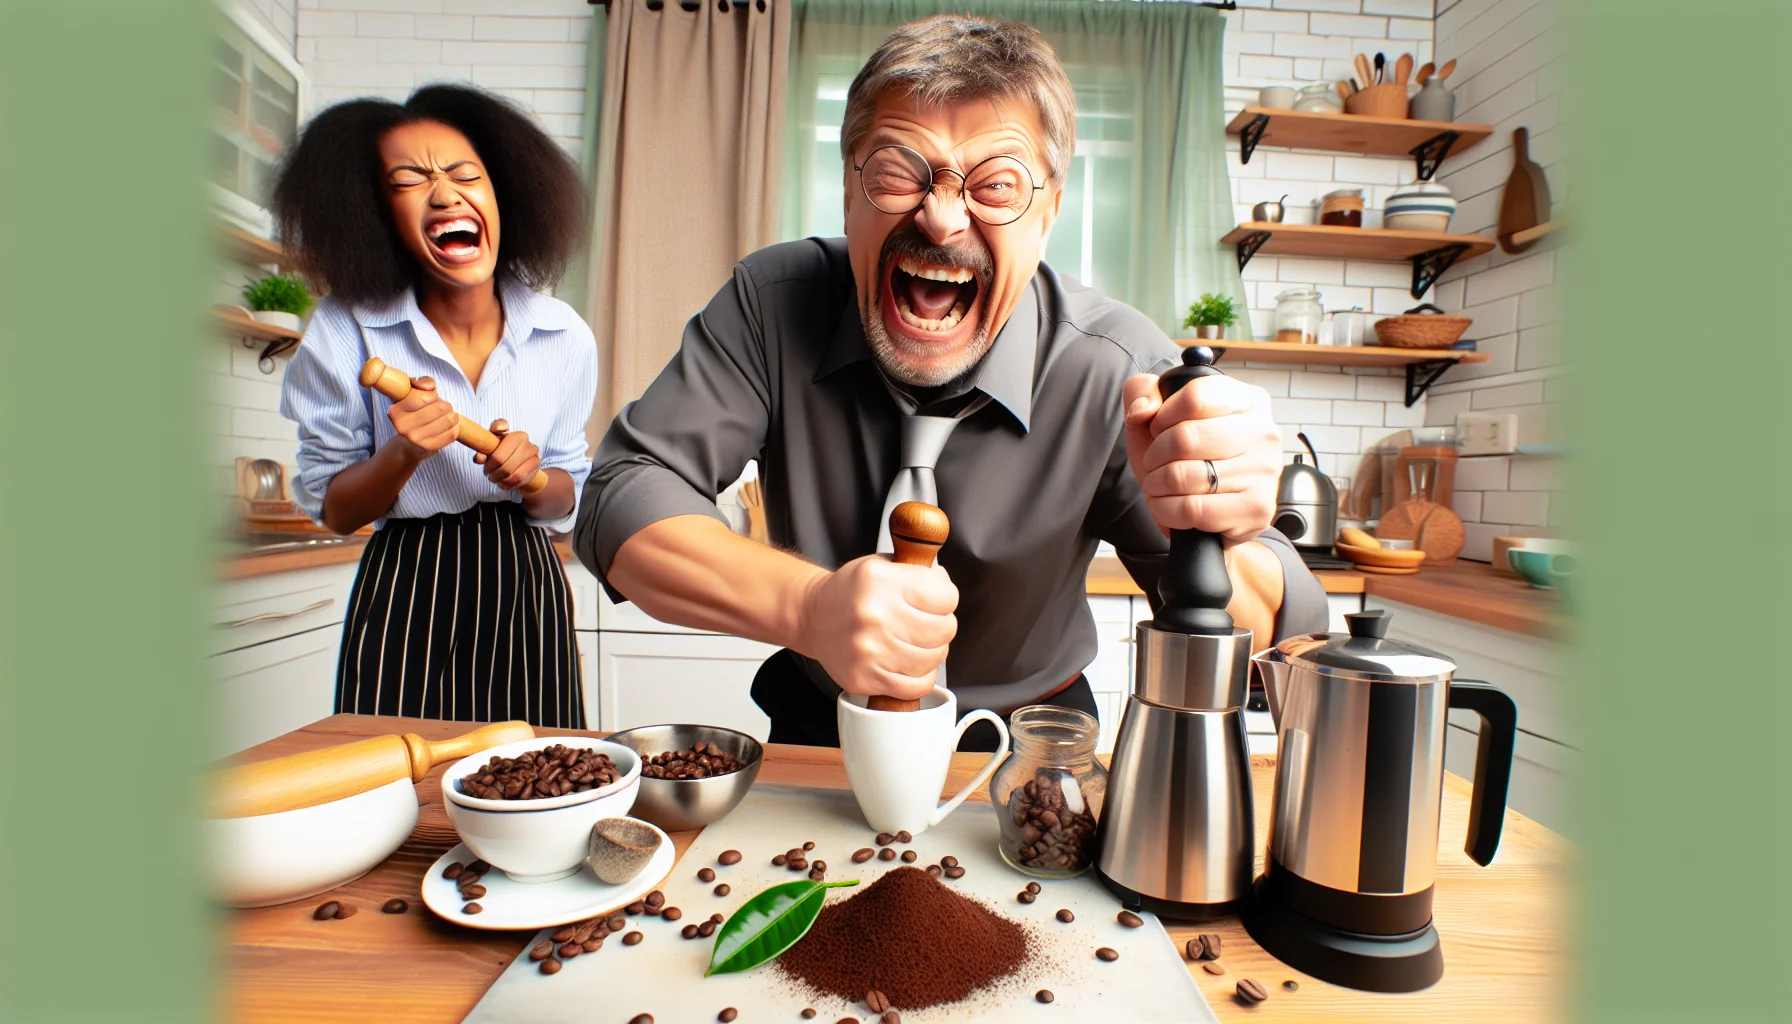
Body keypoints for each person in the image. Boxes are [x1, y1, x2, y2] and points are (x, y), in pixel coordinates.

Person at [575, 16, 1327, 748]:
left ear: (1048, 215)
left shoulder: (1119, 366)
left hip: (1029, 746)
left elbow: (1282, 636)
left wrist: (1215, 524)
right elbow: (621, 495)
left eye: (995, 185)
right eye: (899, 171)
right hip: (820, 731)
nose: (940, 219)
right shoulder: (774, 303)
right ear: (848, 191)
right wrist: (808, 607)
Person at [276, 84, 596, 728]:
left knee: (537, 775)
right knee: (392, 782)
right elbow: (336, 511)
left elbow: (568, 497)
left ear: (500, 192)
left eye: (463, 174)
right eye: (410, 181)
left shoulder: (563, 333)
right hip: (406, 578)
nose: (445, 194)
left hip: (523, 581)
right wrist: (402, 454)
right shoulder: (345, 330)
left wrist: (533, 478)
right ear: (375, 212)